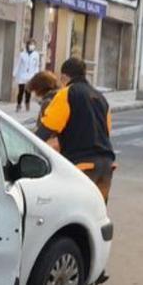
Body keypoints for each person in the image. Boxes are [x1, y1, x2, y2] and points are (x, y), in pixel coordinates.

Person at [36, 58, 116, 202]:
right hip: (106, 166)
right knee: (97, 216)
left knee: (73, 213)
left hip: (82, 167)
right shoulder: (101, 98)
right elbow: (106, 131)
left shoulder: (66, 94)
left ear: (64, 77)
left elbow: (45, 131)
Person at [12, 39, 42, 112]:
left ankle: (27, 104)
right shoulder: (22, 54)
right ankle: (18, 105)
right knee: (21, 91)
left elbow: (37, 65)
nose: (32, 46)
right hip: (22, 75)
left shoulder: (36, 54)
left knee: (28, 91)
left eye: (33, 45)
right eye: (31, 44)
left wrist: (36, 74)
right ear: (28, 45)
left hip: (31, 75)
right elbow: (18, 64)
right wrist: (14, 73)